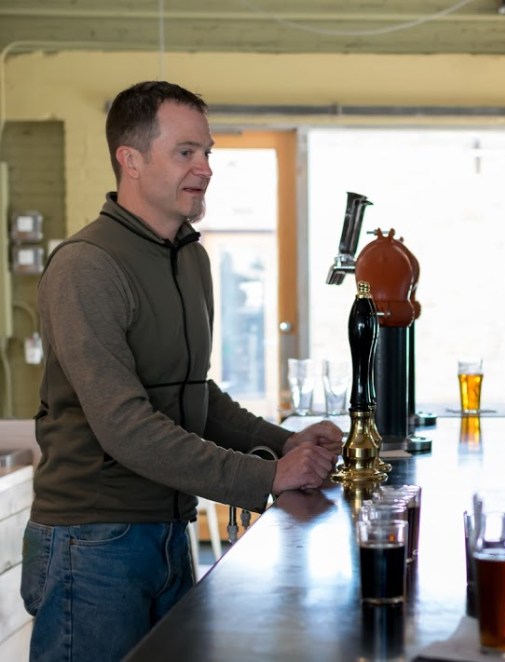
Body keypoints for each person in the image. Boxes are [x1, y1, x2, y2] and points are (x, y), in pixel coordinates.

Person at [20, 81, 344, 662]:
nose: (205, 168)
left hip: (170, 529)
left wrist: (287, 442)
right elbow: (125, 425)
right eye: (186, 152)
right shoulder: (85, 267)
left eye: (208, 153)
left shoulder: (189, 257)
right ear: (132, 159)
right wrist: (265, 477)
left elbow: (197, 395)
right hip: (92, 541)